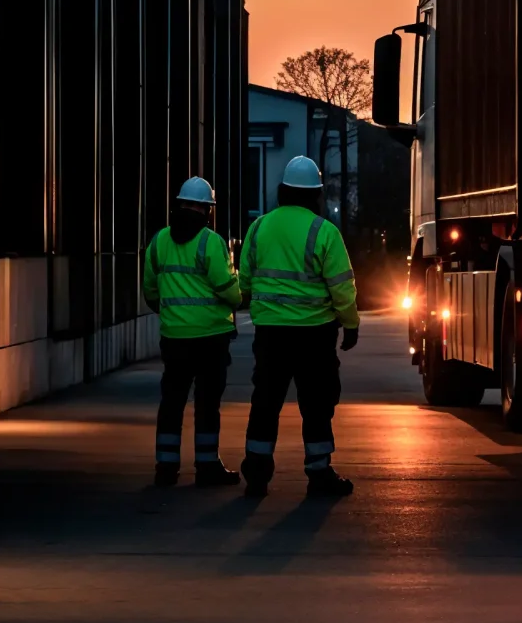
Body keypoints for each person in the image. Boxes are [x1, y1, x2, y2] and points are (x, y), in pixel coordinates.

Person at [239, 154, 359, 501]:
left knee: (265, 403)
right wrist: (350, 325)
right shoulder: (324, 232)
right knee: (317, 406)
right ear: (316, 194)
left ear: (282, 191)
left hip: (270, 334)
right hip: (315, 335)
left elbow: (244, 281)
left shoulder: (259, 228)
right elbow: (341, 287)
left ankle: (257, 475)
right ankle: (319, 474)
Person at [142, 175, 242, 487]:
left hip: (174, 338)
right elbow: (228, 291)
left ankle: (166, 466)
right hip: (211, 338)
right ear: (206, 209)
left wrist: (172, 313)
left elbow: (150, 290)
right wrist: (240, 294)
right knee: (207, 404)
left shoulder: (159, 241)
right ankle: (207, 465)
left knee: (171, 401)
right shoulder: (209, 242)